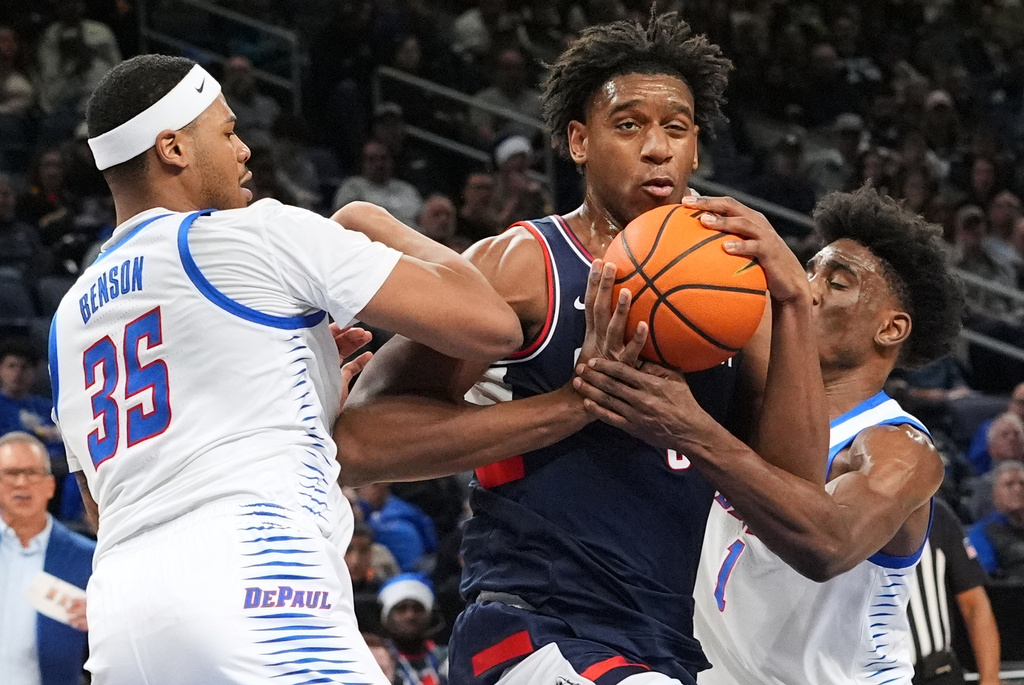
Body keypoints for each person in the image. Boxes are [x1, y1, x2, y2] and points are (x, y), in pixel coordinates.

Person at [336, 14, 824, 684]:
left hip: (660, 642)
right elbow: (357, 445)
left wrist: (794, 299)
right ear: (578, 141)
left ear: (697, 149)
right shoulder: (523, 265)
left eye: (675, 128)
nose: (656, 147)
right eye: (629, 125)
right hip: (531, 628)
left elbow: (805, 519)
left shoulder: (740, 300)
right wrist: (575, 404)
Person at [48, 54, 522, 685]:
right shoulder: (255, 233)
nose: (245, 150)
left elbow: (103, 505)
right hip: (254, 572)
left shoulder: (69, 319)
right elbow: (490, 323)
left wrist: (304, 399)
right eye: (226, 131)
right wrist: (369, 221)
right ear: (173, 148)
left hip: (122, 612)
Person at [574, 187, 965, 683]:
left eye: (838, 283)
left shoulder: (897, 447)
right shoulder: (745, 400)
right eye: (809, 272)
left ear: (890, 329)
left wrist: (694, 432)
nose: (809, 289)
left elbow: (828, 546)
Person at [0, 432, 94, 685]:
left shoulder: (89, 558)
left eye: (32, 473)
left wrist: (103, 617)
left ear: (50, 485)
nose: (21, 483)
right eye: (11, 473)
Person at [907, 498, 1000, 685]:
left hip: (934, 672)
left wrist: (990, 679)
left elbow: (974, 604)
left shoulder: (935, 513)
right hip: (863, 674)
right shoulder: (845, 513)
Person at [378, 573, 448, 685]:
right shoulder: (375, 662)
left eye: (418, 609)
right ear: (386, 618)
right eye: (401, 609)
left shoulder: (446, 659)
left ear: (430, 615)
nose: (410, 616)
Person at [968, 461, 1024, 578]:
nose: (1018, 489)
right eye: (1009, 484)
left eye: (1022, 484)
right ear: (995, 495)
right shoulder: (981, 532)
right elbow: (988, 577)